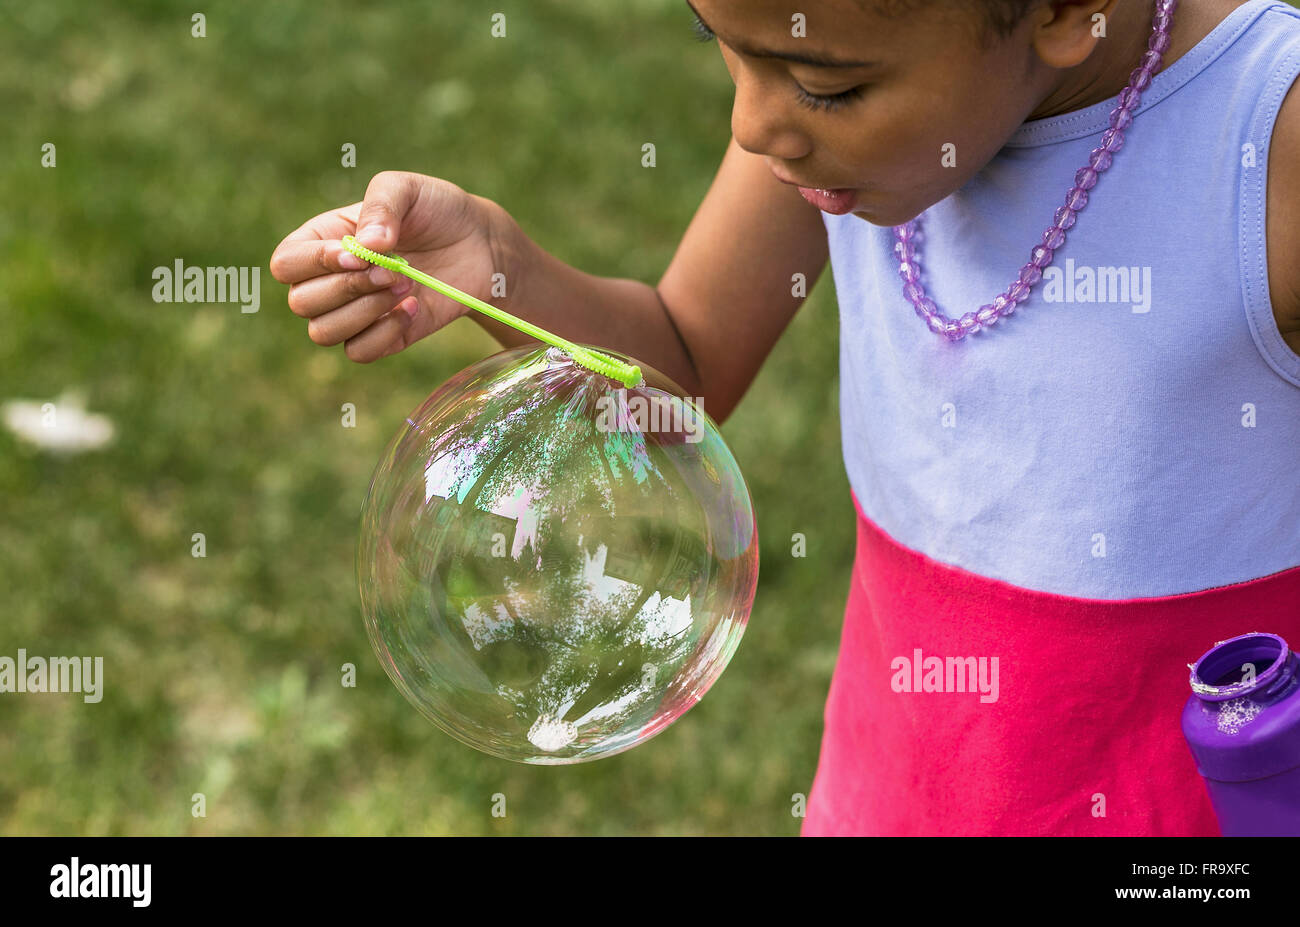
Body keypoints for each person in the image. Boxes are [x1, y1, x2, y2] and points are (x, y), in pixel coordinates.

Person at [270, 0, 1300, 835]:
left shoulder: (1268, 145)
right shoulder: (818, 147)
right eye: (721, 46)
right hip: (892, 794)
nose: (754, 125)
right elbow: (682, 364)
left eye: (824, 84)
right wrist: (503, 268)